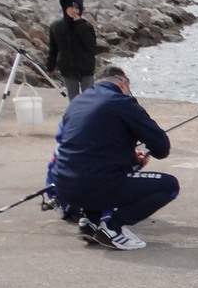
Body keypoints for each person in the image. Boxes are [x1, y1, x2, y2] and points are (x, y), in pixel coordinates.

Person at [50, 65, 177, 251]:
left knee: (96, 172)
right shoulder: (122, 102)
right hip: (95, 184)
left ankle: (89, 222)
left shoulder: (77, 102)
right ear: (123, 83)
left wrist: (131, 155)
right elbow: (161, 147)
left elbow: (79, 143)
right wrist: (143, 153)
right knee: (169, 186)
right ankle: (113, 227)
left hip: (63, 186)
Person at [45, 0, 97, 99]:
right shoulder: (56, 26)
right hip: (68, 69)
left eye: (77, 8)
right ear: (65, 8)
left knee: (89, 98)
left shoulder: (86, 25)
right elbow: (53, 49)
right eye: (71, 8)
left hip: (86, 68)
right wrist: (50, 66)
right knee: (73, 99)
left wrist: (80, 25)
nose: (74, 11)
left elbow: (91, 45)